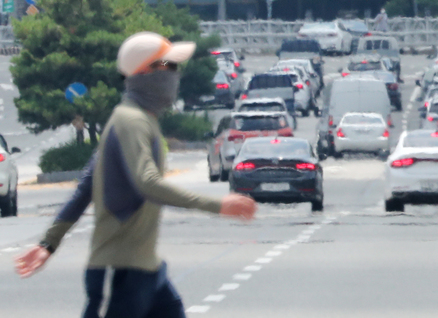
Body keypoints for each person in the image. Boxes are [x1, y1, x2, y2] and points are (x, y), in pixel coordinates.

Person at [14, 32, 257, 318]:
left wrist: (48, 244)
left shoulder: (141, 121)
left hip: (147, 270)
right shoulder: (130, 122)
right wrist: (217, 205)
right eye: (169, 67)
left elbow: (85, 189)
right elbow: (147, 183)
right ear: (144, 74)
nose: (175, 76)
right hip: (118, 271)